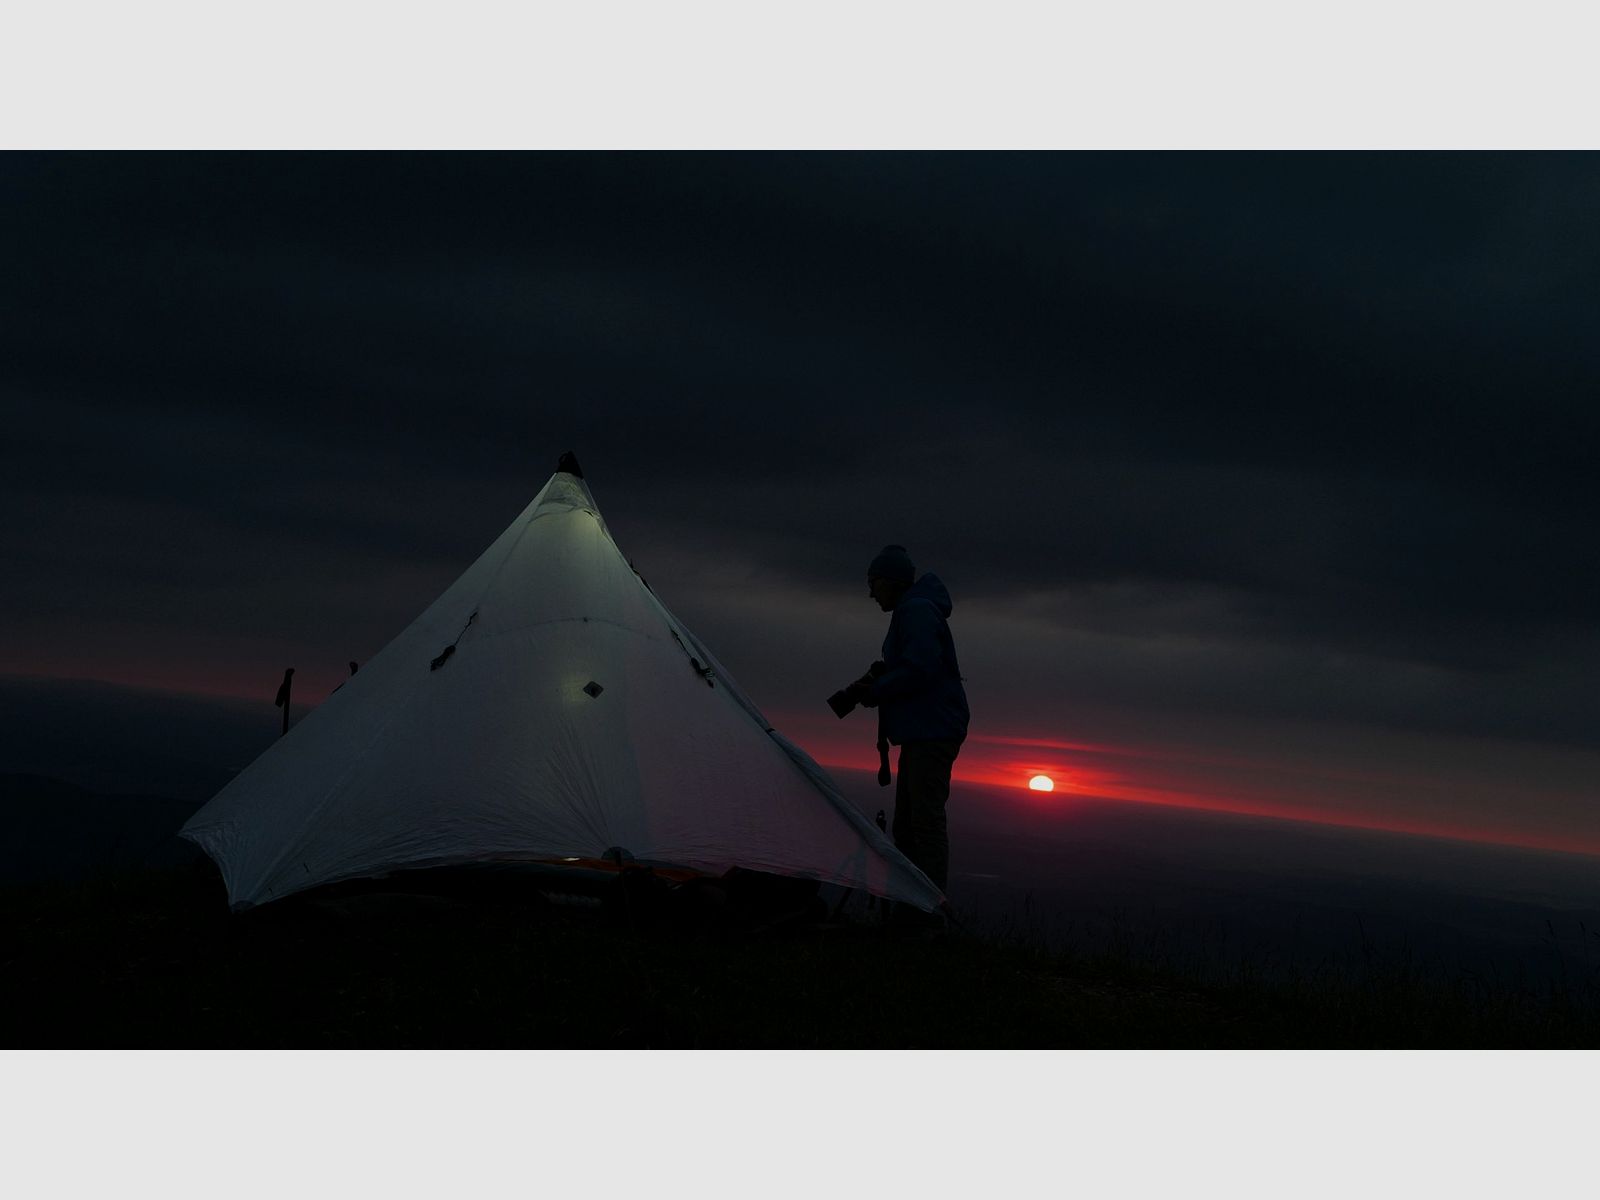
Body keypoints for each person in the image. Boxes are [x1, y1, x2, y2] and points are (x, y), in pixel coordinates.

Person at [836, 544, 969, 919]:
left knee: (923, 823)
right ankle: (912, 908)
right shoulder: (915, 611)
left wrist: (877, 690)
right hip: (925, 729)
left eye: (874, 582)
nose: (871, 592)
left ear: (891, 581)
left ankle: (927, 914)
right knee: (909, 825)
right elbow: (915, 666)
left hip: (933, 729)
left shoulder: (915, 611)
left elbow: (920, 669)